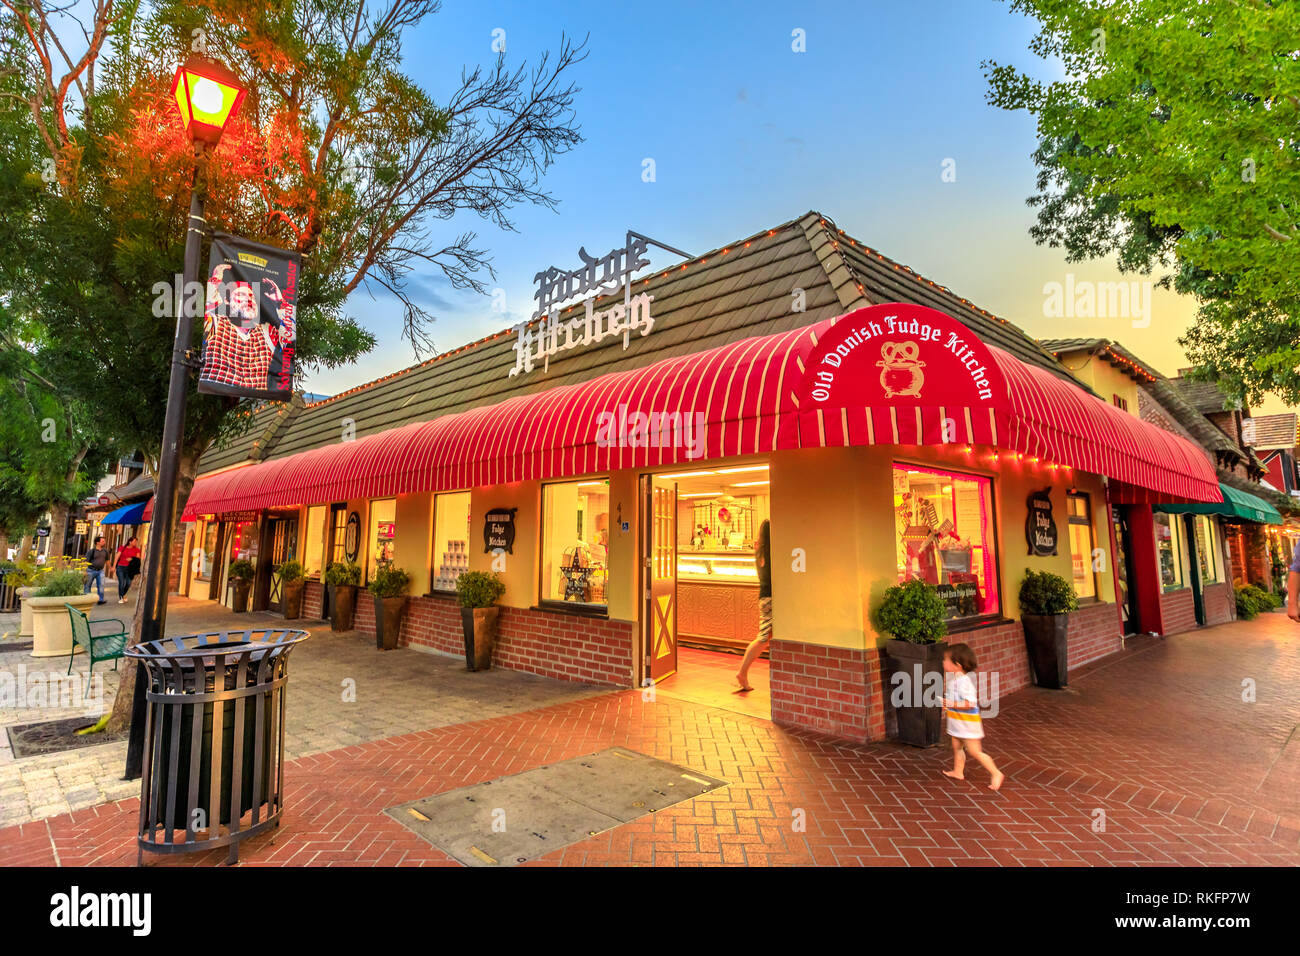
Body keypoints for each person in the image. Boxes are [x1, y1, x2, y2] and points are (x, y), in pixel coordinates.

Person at [941, 643, 1004, 791]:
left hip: (968, 725)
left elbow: (970, 703)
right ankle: (958, 771)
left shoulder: (964, 682)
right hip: (958, 723)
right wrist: (948, 704)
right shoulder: (954, 680)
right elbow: (955, 700)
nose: (943, 662)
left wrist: (952, 703)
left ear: (957, 665)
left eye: (946, 660)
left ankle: (996, 773)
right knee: (957, 747)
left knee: (975, 751)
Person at [736, 519, 772, 692]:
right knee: (763, 638)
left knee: (766, 637)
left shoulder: (760, 552)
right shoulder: (774, 552)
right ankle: (742, 672)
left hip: (764, 598)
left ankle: (743, 673)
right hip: (772, 599)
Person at [114, 535, 142, 604]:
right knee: (122, 582)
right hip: (120, 567)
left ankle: (123, 595)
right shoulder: (122, 548)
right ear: (130, 542)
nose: (136, 543)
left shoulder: (137, 550)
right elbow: (117, 557)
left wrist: (132, 558)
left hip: (130, 569)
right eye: (134, 541)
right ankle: (121, 598)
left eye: (136, 542)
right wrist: (114, 566)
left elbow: (138, 559)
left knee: (128, 583)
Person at [84, 535, 110, 605]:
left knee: (101, 585)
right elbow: (86, 561)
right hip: (90, 570)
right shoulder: (91, 551)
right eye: (102, 541)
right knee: (87, 585)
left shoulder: (105, 551)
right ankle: (87, 599)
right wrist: (84, 571)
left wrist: (111, 568)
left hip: (100, 571)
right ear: (97, 543)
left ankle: (100, 600)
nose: (104, 542)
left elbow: (107, 560)